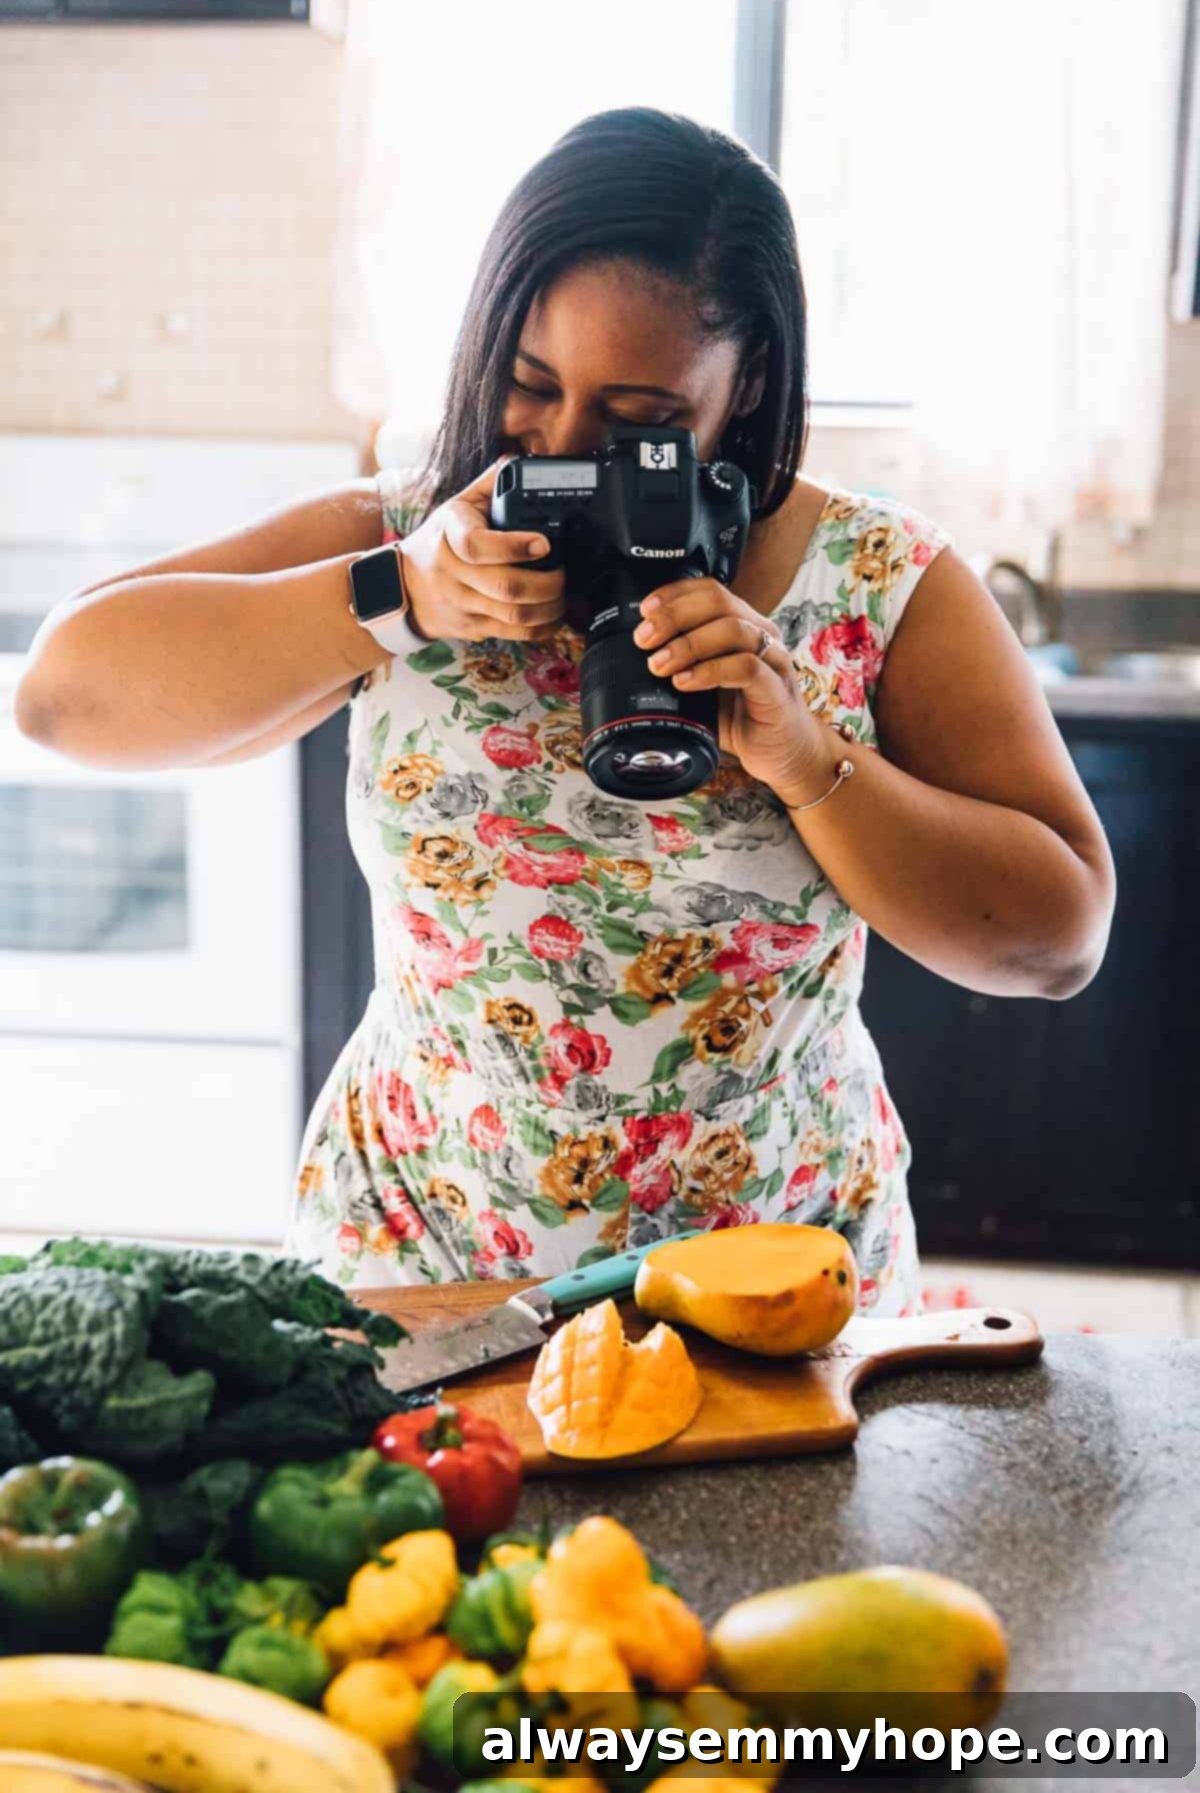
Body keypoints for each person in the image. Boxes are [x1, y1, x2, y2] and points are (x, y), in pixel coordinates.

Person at [17, 108, 1115, 1313]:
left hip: (772, 1294)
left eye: (641, 425)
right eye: (529, 387)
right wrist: (398, 594)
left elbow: (1058, 939)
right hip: (423, 1269)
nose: (565, 449)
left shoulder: (876, 582)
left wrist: (807, 757)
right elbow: (62, 696)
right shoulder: (409, 532)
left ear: (745, 388)